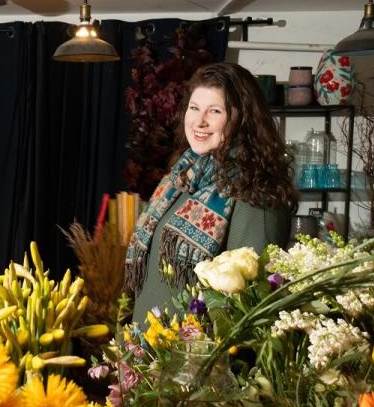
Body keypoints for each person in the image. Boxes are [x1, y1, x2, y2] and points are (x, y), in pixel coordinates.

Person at [125, 62, 296, 325]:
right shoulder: (180, 179)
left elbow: (249, 307)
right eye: (194, 108)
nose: (199, 121)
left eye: (214, 111)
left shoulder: (256, 194)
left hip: (190, 358)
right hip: (143, 351)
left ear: (242, 119)